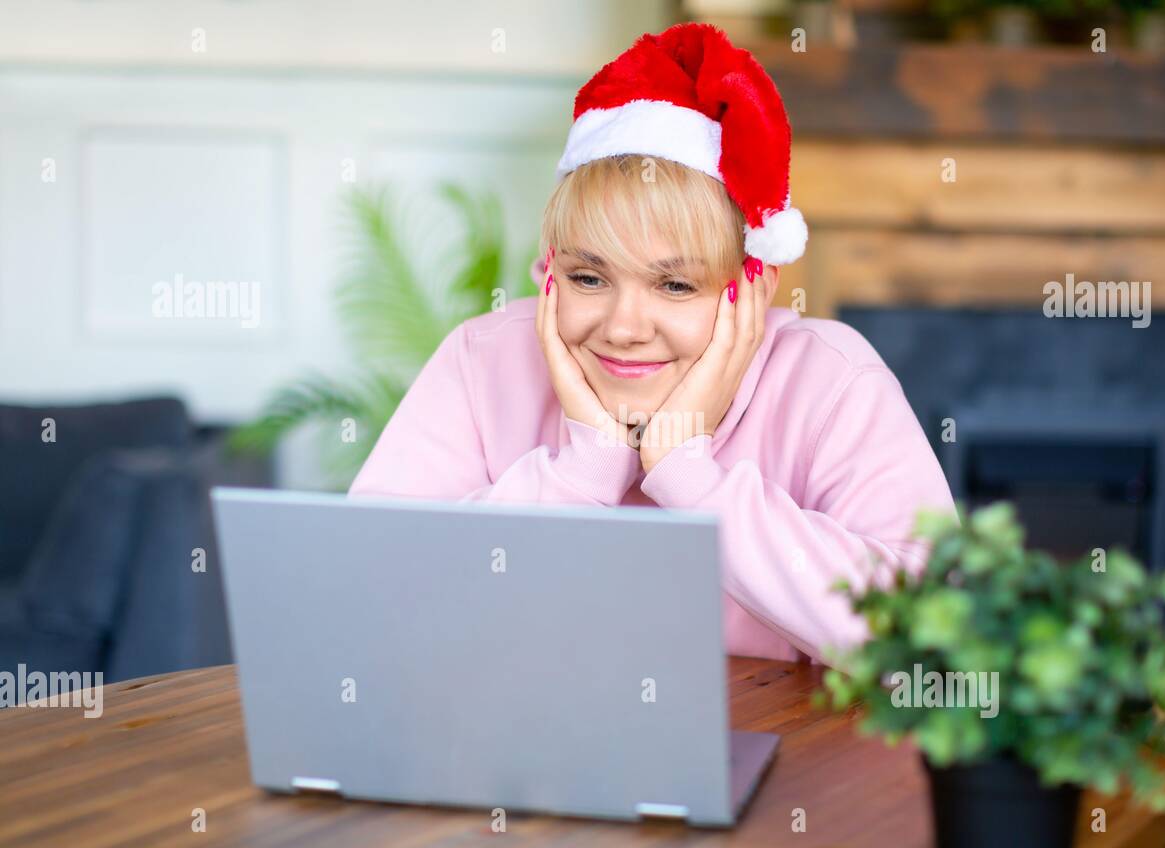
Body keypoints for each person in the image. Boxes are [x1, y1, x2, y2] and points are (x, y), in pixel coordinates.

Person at [349, 22, 956, 666]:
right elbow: (366, 600)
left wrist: (692, 479)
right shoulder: (481, 359)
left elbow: (933, 644)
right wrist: (582, 473)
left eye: (673, 284)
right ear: (549, 273)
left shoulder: (832, 381)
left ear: (750, 286)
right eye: (589, 277)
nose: (624, 327)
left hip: (785, 757)